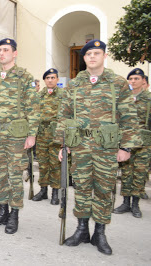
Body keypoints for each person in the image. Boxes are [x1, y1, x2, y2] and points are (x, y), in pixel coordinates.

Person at [56, 40, 140, 255]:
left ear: (104, 56)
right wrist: (64, 145)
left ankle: (100, 233)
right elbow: (64, 115)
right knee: (82, 187)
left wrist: (126, 148)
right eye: (88, 54)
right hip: (81, 146)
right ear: (83, 58)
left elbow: (129, 117)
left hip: (107, 147)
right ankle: (82, 229)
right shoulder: (74, 85)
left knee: (103, 190)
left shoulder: (117, 83)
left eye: (96, 53)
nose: (92, 57)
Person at [0, 38, 40, 234]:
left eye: (6, 50)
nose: (1, 53)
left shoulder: (24, 77)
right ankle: (2, 211)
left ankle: (14, 214)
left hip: (16, 135)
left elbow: (33, 107)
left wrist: (32, 134)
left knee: (14, 175)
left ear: (14, 53)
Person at [113, 68, 151, 218]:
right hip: (126, 142)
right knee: (126, 173)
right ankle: (125, 202)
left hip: (143, 144)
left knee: (140, 174)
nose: (133, 81)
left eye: (136, 78)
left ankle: (135, 204)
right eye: (131, 79)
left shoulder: (148, 99)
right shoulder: (123, 99)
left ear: (143, 81)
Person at [32, 68, 62, 204]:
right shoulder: (38, 96)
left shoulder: (63, 95)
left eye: (53, 77)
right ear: (44, 80)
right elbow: (33, 115)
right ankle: (43, 190)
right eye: (47, 78)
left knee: (55, 164)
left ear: (57, 79)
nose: (50, 80)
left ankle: (56, 192)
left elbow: (68, 116)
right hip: (42, 134)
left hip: (56, 135)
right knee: (43, 164)